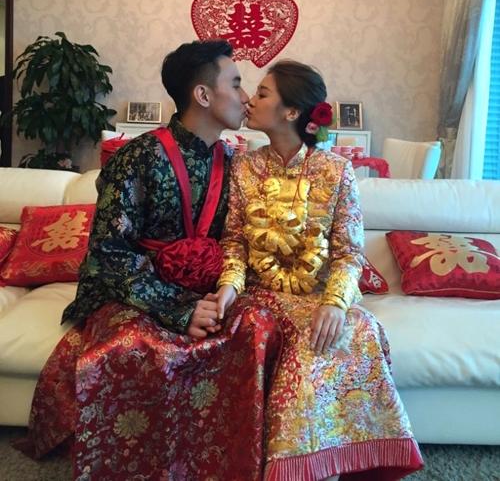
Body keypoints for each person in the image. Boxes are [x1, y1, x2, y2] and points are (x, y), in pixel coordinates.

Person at [18, 40, 283, 480]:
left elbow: (245, 242)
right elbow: (108, 253)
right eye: (236, 83)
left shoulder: (237, 164)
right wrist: (178, 309)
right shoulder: (137, 157)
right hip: (138, 291)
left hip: (211, 289)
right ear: (203, 94)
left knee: (257, 328)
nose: (244, 95)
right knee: (133, 344)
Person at [215, 60, 424, 481]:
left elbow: (349, 252)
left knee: (359, 328)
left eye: (263, 93)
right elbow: (234, 241)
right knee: (284, 336)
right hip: (261, 295)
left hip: (318, 295)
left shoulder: (336, 170)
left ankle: (338, 463)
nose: (250, 100)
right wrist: (229, 286)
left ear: (292, 112)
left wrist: (334, 302)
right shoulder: (242, 167)